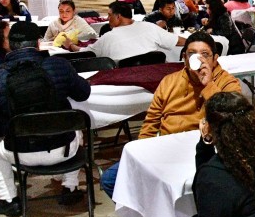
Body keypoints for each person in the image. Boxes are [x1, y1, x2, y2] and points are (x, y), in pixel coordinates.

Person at [100, 32, 243, 197]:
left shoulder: (227, 82)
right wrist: (142, 152)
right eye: (192, 54)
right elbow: (151, 120)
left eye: (205, 54)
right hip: (168, 148)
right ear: (185, 58)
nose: (199, 59)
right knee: (110, 180)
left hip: (206, 150)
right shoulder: (170, 81)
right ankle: (150, 210)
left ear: (215, 58)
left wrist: (208, 84)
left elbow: (232, 117)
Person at [0, 22, 91, 216]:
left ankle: (9, 200)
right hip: (63, 150)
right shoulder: (59, 65)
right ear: (39, 43)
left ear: (10, 45)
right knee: (76, 124)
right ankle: (70, 187)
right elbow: (83, 93)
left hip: (18, 153)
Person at [61, 1, 185, 62]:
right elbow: (179, 41)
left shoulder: (108, 38)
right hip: (153, 82)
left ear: (118, 16)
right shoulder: (150, 27)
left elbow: (85, 53)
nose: (108, 18)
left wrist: (70, 45)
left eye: (110, 15)